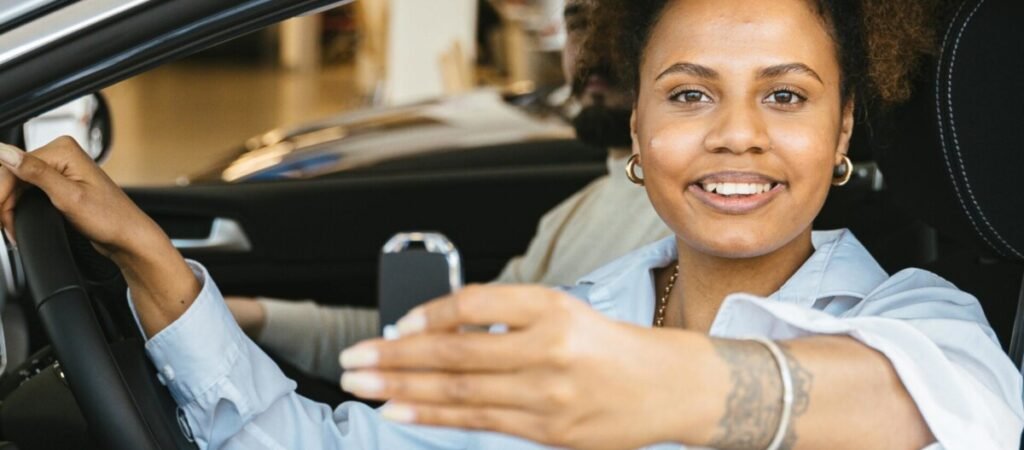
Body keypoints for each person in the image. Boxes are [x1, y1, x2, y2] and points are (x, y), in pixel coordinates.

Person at [1, 0, 1021, 448]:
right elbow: (318, 444)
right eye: (690, 95)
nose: (737, 138)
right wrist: (147, 260)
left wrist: (677, 385)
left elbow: (956, 413)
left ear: (842, 127)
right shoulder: (571, 315)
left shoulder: (915, 319)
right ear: (637, 124)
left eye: (787, 98)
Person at [226, 0, 672, 385]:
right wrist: (257, 318)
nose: (593, 54)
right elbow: (449, 340)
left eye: (619, 28)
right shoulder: (574, 213)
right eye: (578, 25)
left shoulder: (678, 225)